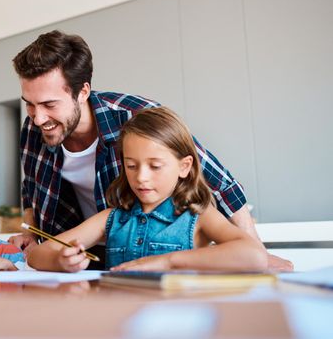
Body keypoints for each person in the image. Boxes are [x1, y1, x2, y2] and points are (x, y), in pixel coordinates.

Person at [10, 30, 292, 271]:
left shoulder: (136, 117)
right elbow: (31, 187)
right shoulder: (33, 128)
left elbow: (218, 181)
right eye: (29, 104)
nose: (37, 118)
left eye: (49, 105)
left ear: (82, 92)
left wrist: (256, 253)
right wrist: (31, 232)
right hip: (83, 258)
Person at [27, 107, 267, 272]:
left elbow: (254, 255)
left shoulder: (199, 216)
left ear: (184, 167)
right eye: (131, 166)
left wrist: (170, 262)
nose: (141, 177)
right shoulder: (112, 218)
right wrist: (60, 260)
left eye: (155, 166)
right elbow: (38, 254)